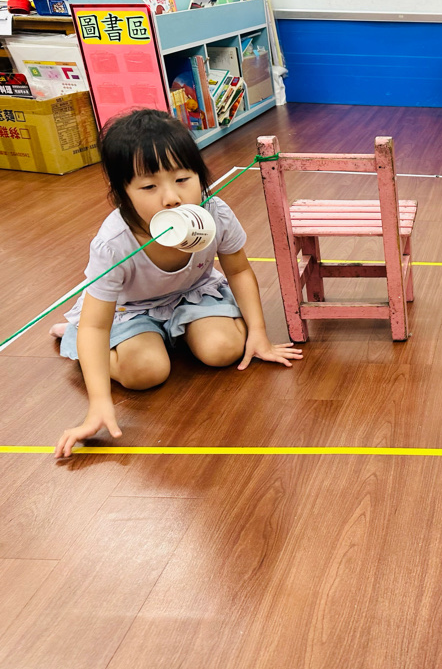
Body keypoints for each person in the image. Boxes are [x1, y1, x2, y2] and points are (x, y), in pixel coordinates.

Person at [51, 109, 301, 458]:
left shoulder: (215, 213)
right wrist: (99, 404)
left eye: (183, 179)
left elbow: (239, 271)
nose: (171, 197)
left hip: (192, 293)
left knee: (224, 350)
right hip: (128, 310)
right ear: (122, 192)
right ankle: (79, 340)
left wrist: (259, 334)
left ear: (200, 175)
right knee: (146, 373)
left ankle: (174, 332)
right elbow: (96, 324)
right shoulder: (114, 243)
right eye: (149, 187)